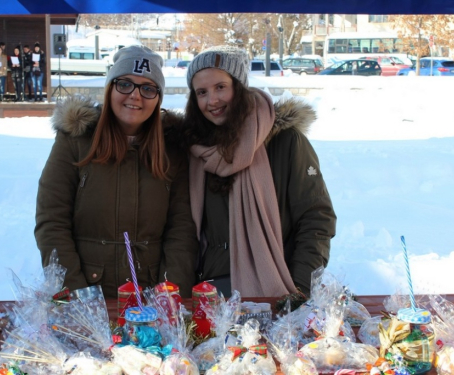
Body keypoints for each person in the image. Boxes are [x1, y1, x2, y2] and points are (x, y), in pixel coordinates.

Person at [35, 45, 198, 298]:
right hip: (90, 295)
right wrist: (77, 297)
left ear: (158, 98)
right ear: (110, 88)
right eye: (125, 84)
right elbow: (52, 222)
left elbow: (182, 230)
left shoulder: (172, 150)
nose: (135, 95)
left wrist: (169, 295)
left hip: (152, 298)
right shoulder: (75, 141)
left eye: (148, 88)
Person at [182, 46, 336, 297]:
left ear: (239, 87)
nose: (212, 100)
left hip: (275, 286)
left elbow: (316, 218)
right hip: (209, 291)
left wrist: (301, 287)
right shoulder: (195, 149)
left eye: (221, 87)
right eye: (202, 92)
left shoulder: (284, 141)